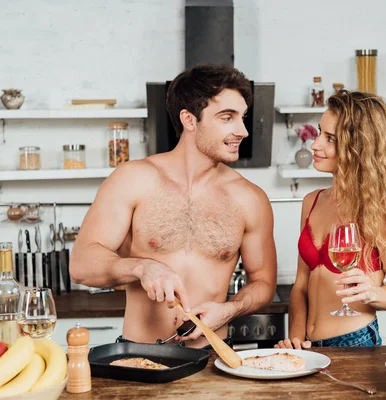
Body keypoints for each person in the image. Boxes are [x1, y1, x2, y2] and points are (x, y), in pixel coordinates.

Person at [70, 64, 277, 349]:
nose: (242, 130)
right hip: (140, 356)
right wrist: (142, 268)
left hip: (214, 358)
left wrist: (230, 309)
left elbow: (264, 283)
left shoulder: (250, 198)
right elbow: (81, 266)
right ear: (189, 120)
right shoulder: (132, 180)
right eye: (227, 117)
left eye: (242, 117)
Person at [276, 90, 386, 349]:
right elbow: (300, 286)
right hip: (310, 345)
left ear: (358, 147)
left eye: (330, 138)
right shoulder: (312, 201)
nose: (315, 144)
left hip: (355, 341)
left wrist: (374, 293)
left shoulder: (382, 208)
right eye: (319, 132)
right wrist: (296, 341)